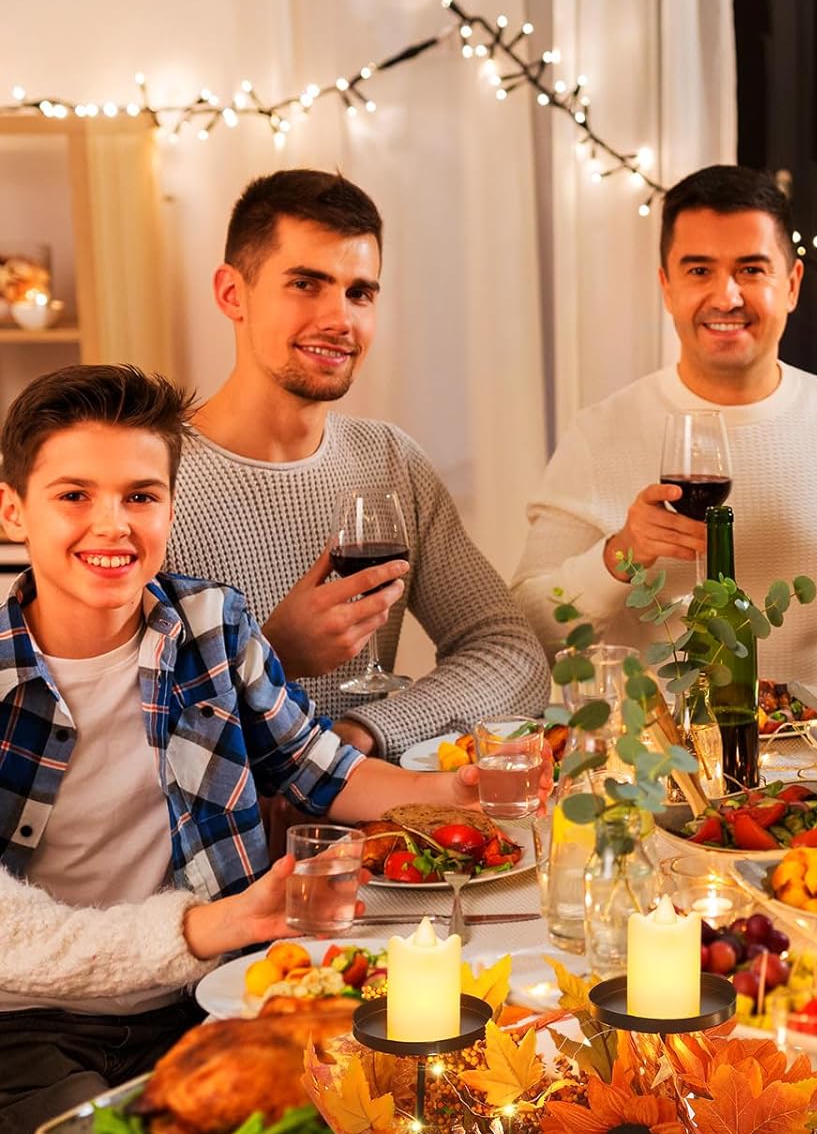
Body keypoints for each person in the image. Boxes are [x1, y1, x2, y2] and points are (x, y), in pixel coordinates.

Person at [0, 364, 489, 1134]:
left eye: (141, 496)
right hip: (31, 1034)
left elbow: (324, 771)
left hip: (206, 1003)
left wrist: (465, 796)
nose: (111, 525)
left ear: (170, 508)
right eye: (74, 495)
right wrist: (219, 921)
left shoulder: (209, 626)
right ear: (14, 510)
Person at [166, 169, 549, 760]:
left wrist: (361, 736)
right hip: (220, 846)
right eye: (305, 283)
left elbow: (511, 654)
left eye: (359, 292)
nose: (339, 319)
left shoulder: (391, 461)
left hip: (370, 840)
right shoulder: (148, 480)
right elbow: (107, 724)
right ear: (231, 293)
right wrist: (272, 656)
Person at [512, 164, 817, 692]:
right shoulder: (600, 433)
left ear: (793, 284)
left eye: (752, 270)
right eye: (699, 271)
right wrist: (620, 556)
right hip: (656, 764)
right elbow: (528, 633)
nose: (727, 297)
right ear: (666, 287)